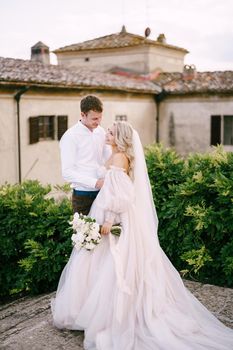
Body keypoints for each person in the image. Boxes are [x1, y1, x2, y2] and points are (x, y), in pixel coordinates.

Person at [52, 121, 233, 350]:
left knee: (110, 264)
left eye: (110, 132)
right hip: (105, 207)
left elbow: (121, 195)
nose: (106, 133)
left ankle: (110, 313)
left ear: (118, 137)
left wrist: (109, 220)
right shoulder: (116, 153)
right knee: (98, 261)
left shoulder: (120, 158)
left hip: (113, 214)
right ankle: (92, 308)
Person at [59, 94, 111, 215]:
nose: (98, 122)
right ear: (82, 115)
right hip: (83, 196)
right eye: (94, 119)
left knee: (106, 232)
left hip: (104, 192)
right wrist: (95, 183)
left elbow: (108, 157)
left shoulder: (101, 131)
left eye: (100, 118)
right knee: (85, 233)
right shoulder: (70, 137)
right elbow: (67, 173)